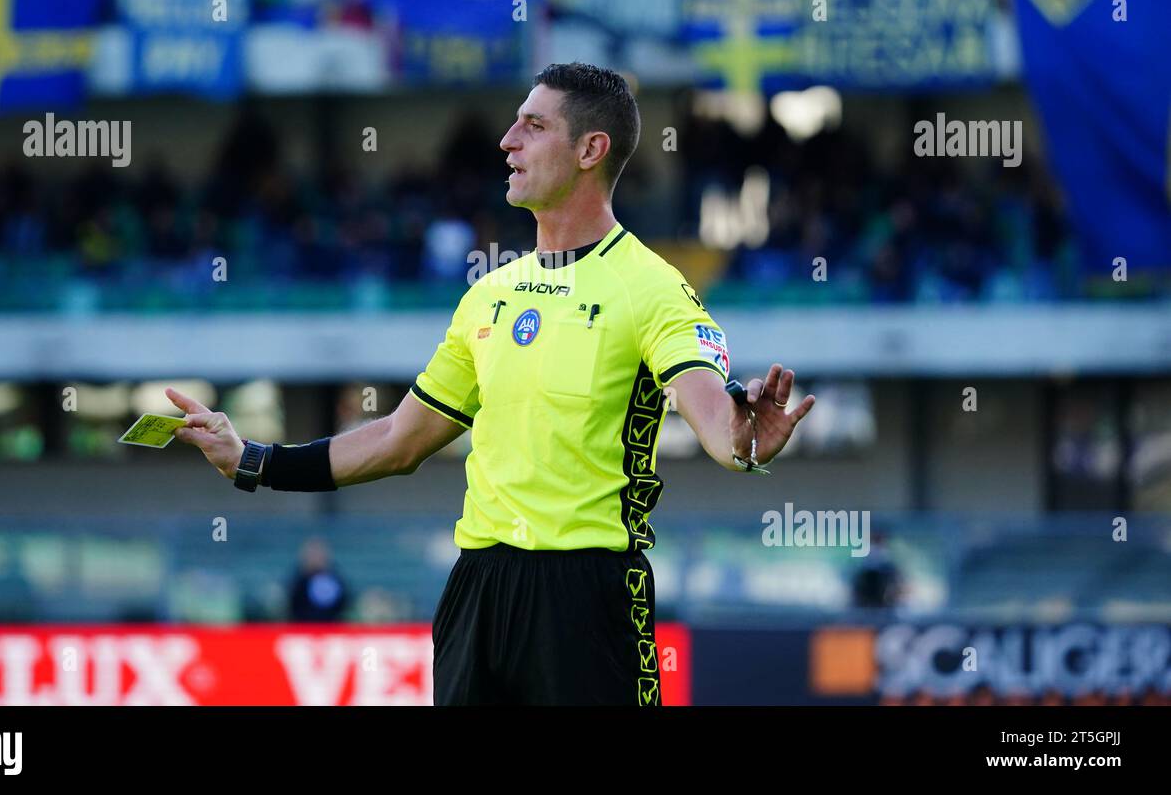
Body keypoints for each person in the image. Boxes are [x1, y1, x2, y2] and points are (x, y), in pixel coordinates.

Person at [168, 62, 815, 705]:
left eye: (532, 126)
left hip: (586, 598)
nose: (507, 141)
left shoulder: (651, 290)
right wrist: (254, 460)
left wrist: (741, 439)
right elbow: (400, 439)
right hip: (479, 588)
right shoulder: (488, 294)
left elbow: (708, 403)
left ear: (591, 150)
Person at [287, 539, 349, 623]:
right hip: (303, 627)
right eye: (312, 554)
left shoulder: (335, 579)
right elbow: (293, 605)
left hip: (331, 627)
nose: (316, 558)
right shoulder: (298, 581)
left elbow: (343, 603)